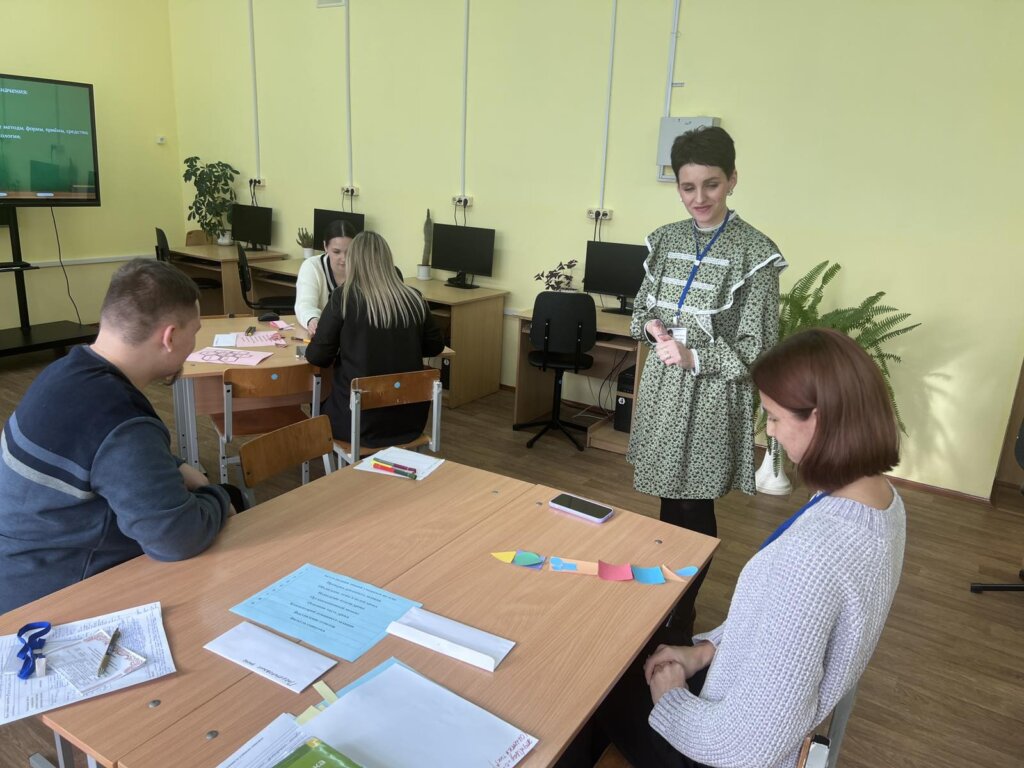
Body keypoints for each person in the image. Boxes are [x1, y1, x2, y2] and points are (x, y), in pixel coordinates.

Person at [572, 328, 905, 768]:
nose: (770, 433)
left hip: (716, 750)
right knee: (625, 648)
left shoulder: (812, 557)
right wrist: (704, 651)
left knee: (587, 669)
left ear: (819, 419)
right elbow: (779, 625)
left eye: (774, 418)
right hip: (744, 701)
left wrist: (670, 699)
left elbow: (746, 746)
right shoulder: (881, 503)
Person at [0, 259, 237, 614]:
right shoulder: (122, 419)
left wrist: (175, 465)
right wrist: (218, 497)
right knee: (228, 517)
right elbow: (176, 539)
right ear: (170, 337)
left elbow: (98, 455)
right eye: (196, 331)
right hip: (50, 600)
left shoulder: (65, 370)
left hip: (19, 562)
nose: (194, 342)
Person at [627, 125, 787, 637]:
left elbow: (758, 347)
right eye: (688, 187)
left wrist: (694, 354)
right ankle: (663, 600)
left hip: (712, 394)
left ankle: (680, 617)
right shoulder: (666, 240)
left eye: (712, 185)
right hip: (662, 390)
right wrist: (652, 328)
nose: (699, 198)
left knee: (693, 504)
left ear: (733, 179)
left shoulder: (755, 253)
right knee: (667, 499)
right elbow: (641, 308)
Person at [305, 231, 444, 447]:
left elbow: (317, 356)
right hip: (409, 422)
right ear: (388, 261)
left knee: (319, 401)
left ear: (354, 261)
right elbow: (435, 346)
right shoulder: (414, 298)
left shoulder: (344, 297)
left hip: (357, 424)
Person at [295, 218, 359, 335]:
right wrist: (312, 320)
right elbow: (304, 304)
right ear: (325, 247)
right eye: (336, 252)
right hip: (325, 334)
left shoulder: (364, 268)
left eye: (349, 252)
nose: (344, 258)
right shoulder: (312, 266)